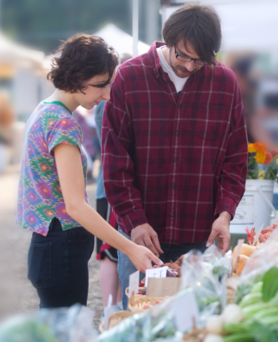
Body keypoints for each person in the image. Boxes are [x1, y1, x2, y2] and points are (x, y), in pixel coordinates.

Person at [102, 2, 248, 309]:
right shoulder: (129, 78)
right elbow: (115, 163)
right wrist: (134, 221)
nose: (190, 66)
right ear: (168, 39)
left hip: (199, 234)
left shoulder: (224, 82)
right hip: (140, 234)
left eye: (201, 60)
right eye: (183, 55)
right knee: (141, 322)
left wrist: (225, 213)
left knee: (195, 323)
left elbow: (235, 160)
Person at [17, 34, 162, 309]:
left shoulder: (44, 111)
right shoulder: (62, 123)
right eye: (100, 85)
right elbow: (76, 206)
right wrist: (129, 247)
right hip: (60, 246)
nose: (107, 94)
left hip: (49, 245)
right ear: (76, 78)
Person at [94, 52, 133, 312]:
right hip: (108, 190)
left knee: (118, 251)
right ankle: (111, 309)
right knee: (109, 252)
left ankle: (116, 306)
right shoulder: (104, 102)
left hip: (112, 188)